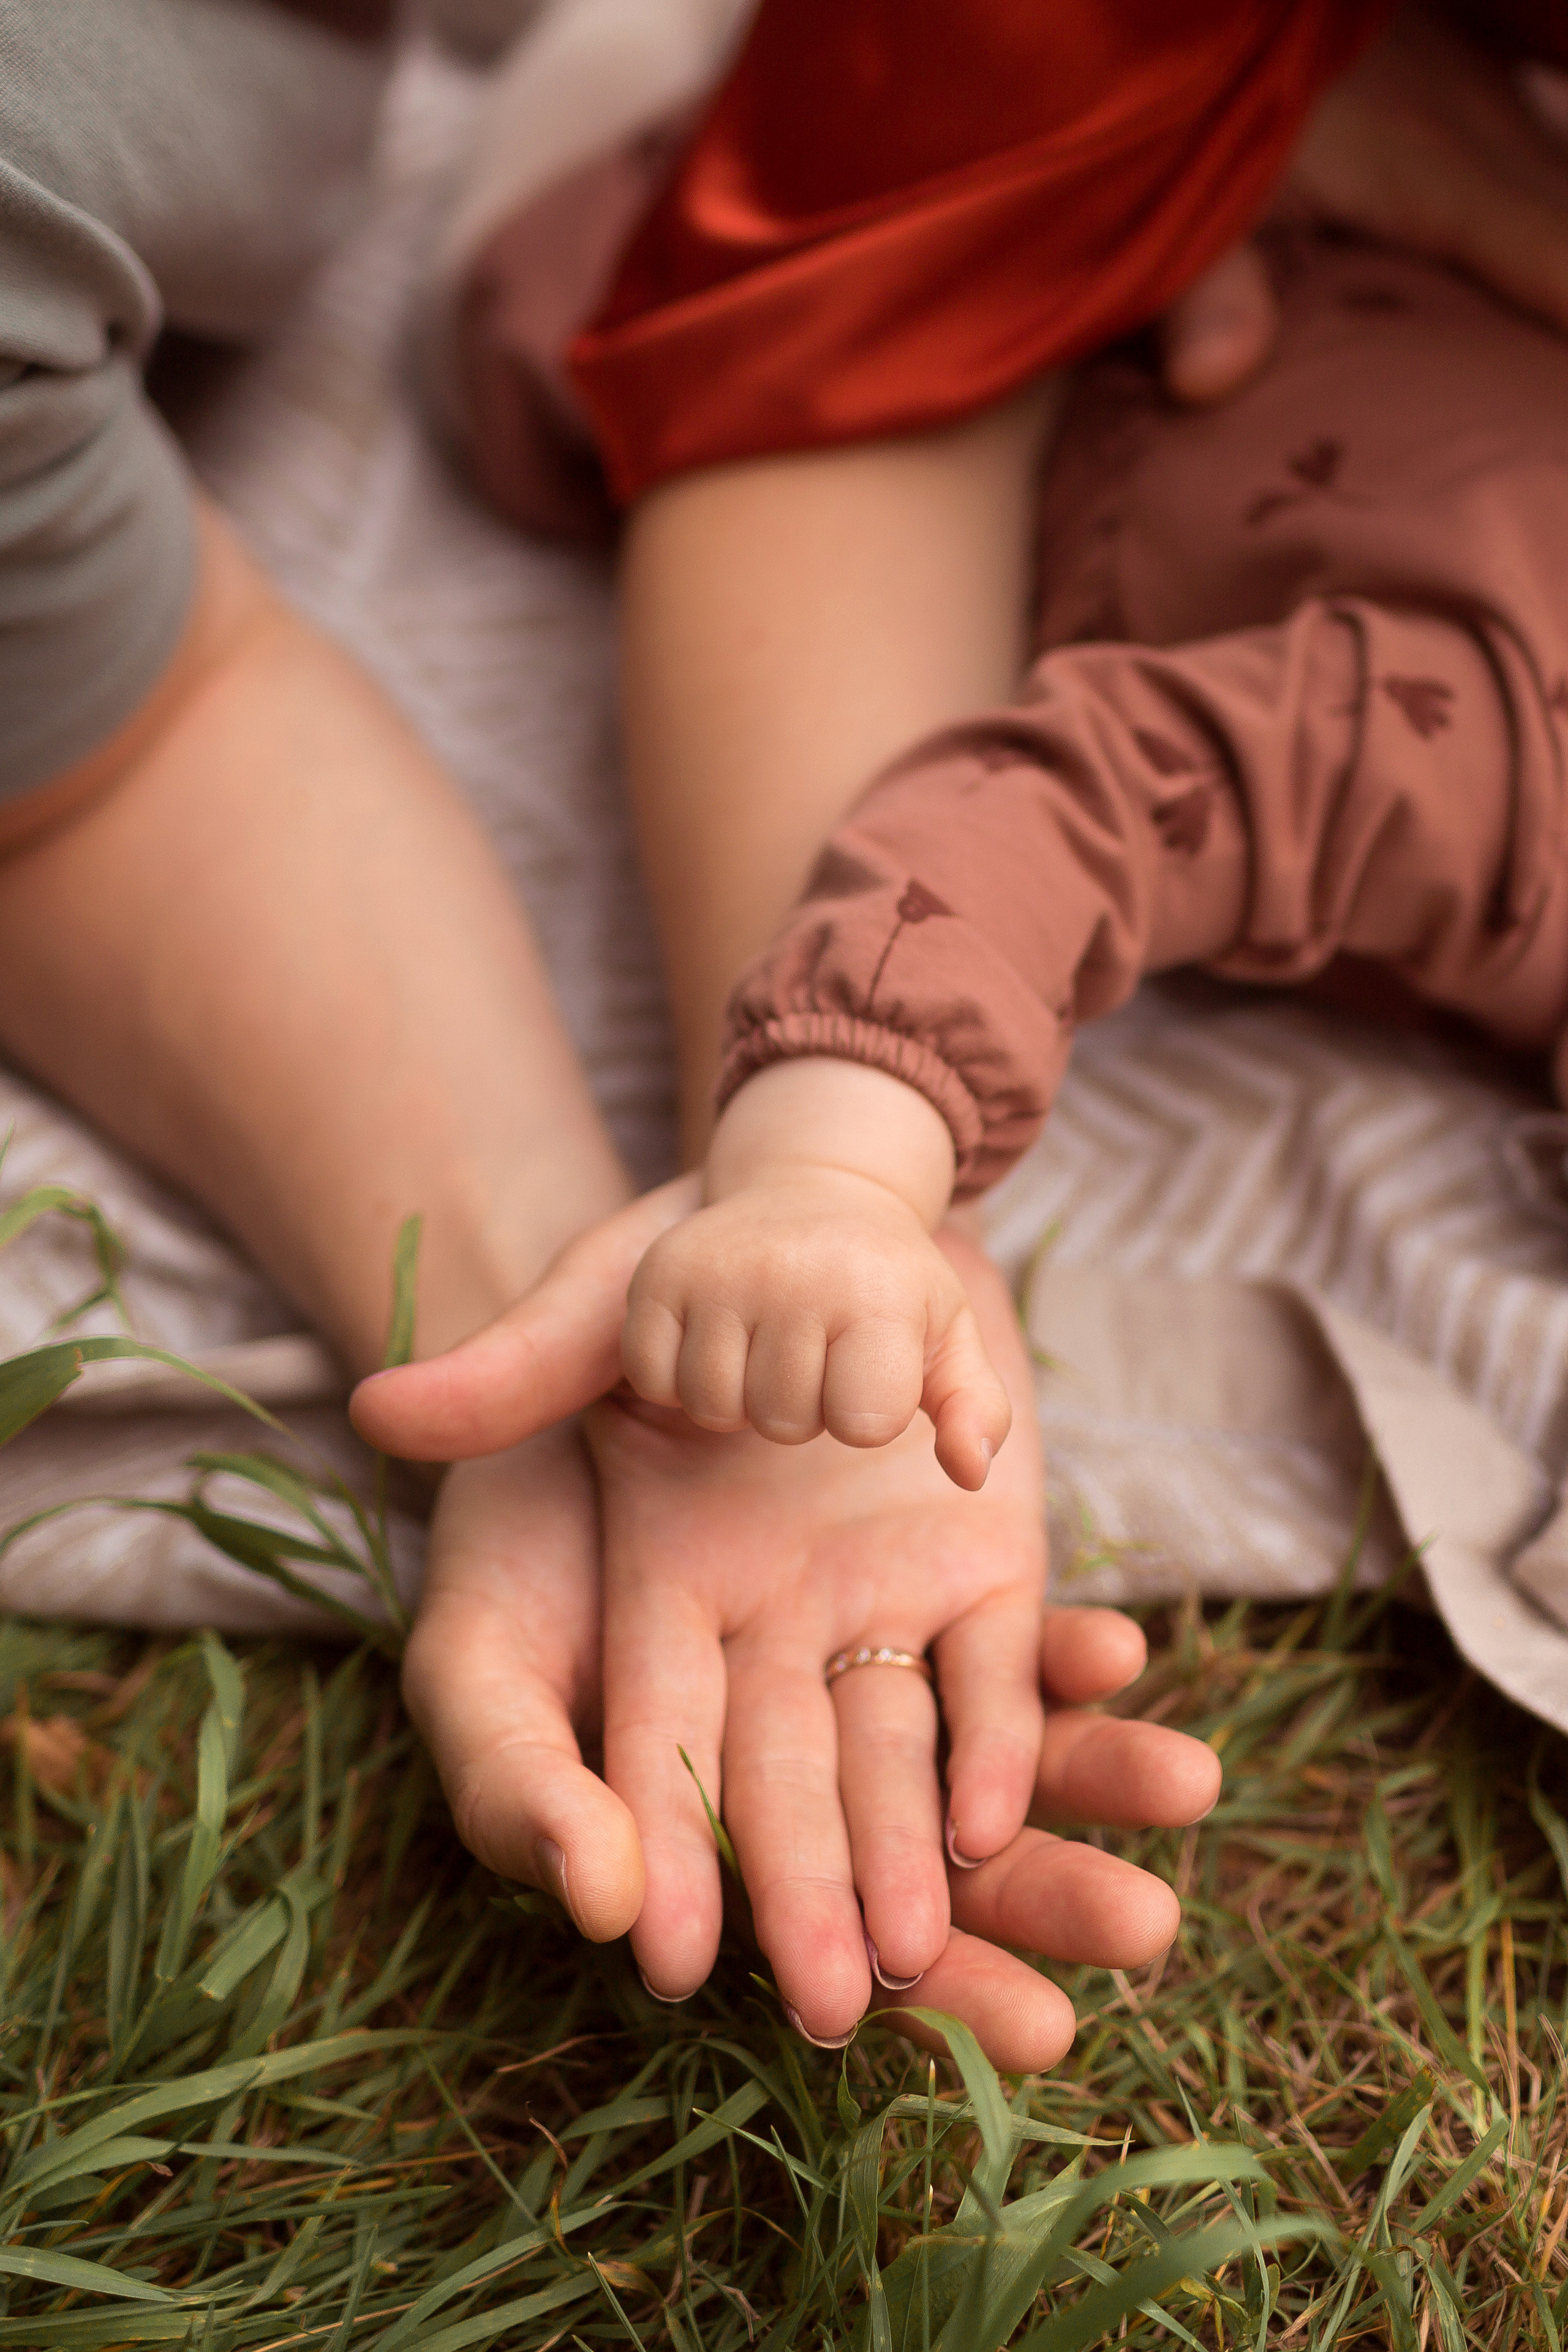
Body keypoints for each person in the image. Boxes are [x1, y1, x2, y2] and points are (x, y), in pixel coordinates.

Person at [361, 0, 1568, 2052]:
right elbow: (1066, 805)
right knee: (556, 311)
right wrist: (837, 1165)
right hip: (867, 169)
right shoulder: (1499, 756)